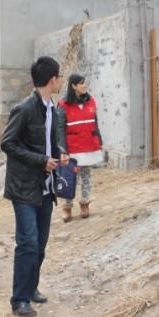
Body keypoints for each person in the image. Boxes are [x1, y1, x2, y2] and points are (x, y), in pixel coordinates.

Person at [0, 56, 69, 317]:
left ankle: (31, 289)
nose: (60, 80)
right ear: (52, 80)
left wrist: (59, 154)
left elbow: (47, 142)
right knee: (27, 242)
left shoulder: (52, 108)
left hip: (46, 186)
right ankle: (19, 300)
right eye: (59, 76)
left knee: (40, 243)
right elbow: (7, 143)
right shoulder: (25, 108)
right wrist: (41, 161)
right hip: (24, 187)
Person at [56, 74, 103, 222]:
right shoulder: (63, 104)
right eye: (82, 83)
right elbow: (59, 129)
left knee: (86, 176)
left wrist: (99, 141)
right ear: (74, 86)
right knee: (70, 177)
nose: (85, 85)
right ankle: (67, 207)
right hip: (72, 147)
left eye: (85, 83)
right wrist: (62, 149)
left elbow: (95, 123)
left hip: (88, 144)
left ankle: (85, 204)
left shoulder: (91, 101)